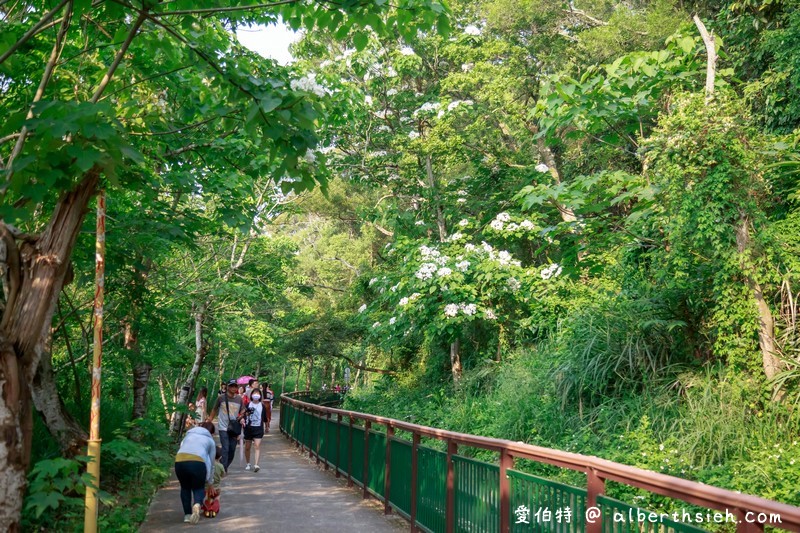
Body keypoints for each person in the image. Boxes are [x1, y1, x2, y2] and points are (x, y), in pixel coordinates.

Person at [174, 421, 216, 524]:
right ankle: (197, 504)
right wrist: (210, 482)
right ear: (211, 432)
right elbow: (212, 462)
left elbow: (181, 448)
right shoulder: (210, 440)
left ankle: (187, 515)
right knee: (198, 487)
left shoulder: (187, 436)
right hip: (197, 462)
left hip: (180, 461)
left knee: (185, 487)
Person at [207, 379, 244, 471]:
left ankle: (224, 466)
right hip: (223, 427)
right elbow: (214, 409)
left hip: (234, 428)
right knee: (225, 448)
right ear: (227, 387)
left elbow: (242, 410)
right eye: (231, 386)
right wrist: (209, 421)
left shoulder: (239, 399)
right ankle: (223, 468)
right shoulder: (221, 398)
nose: (233, 388)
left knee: (232, 449)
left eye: (235, 386)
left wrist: (242, 417)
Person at [242, 388, 268, 472]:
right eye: (254, 393)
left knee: (257, 446)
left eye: (258, 393)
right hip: (248, 428)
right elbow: (243, 415)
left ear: (260, 396)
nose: (256, 395)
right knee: (247, 447)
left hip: (258, 428)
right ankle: (248, 463)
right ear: (251, 395)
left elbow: (264, 418)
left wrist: (267, 426)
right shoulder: (247, 405)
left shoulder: (262, 405)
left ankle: (256, 464)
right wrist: (246, 415)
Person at [202, 447, 225, 518]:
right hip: (216, 488)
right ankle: (215, 505)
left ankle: (208, 508)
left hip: (206, 488)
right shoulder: (220, 466)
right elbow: (223, 474)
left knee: (205, 499)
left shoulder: (206, 465)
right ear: (220, 457)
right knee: (217, 497)